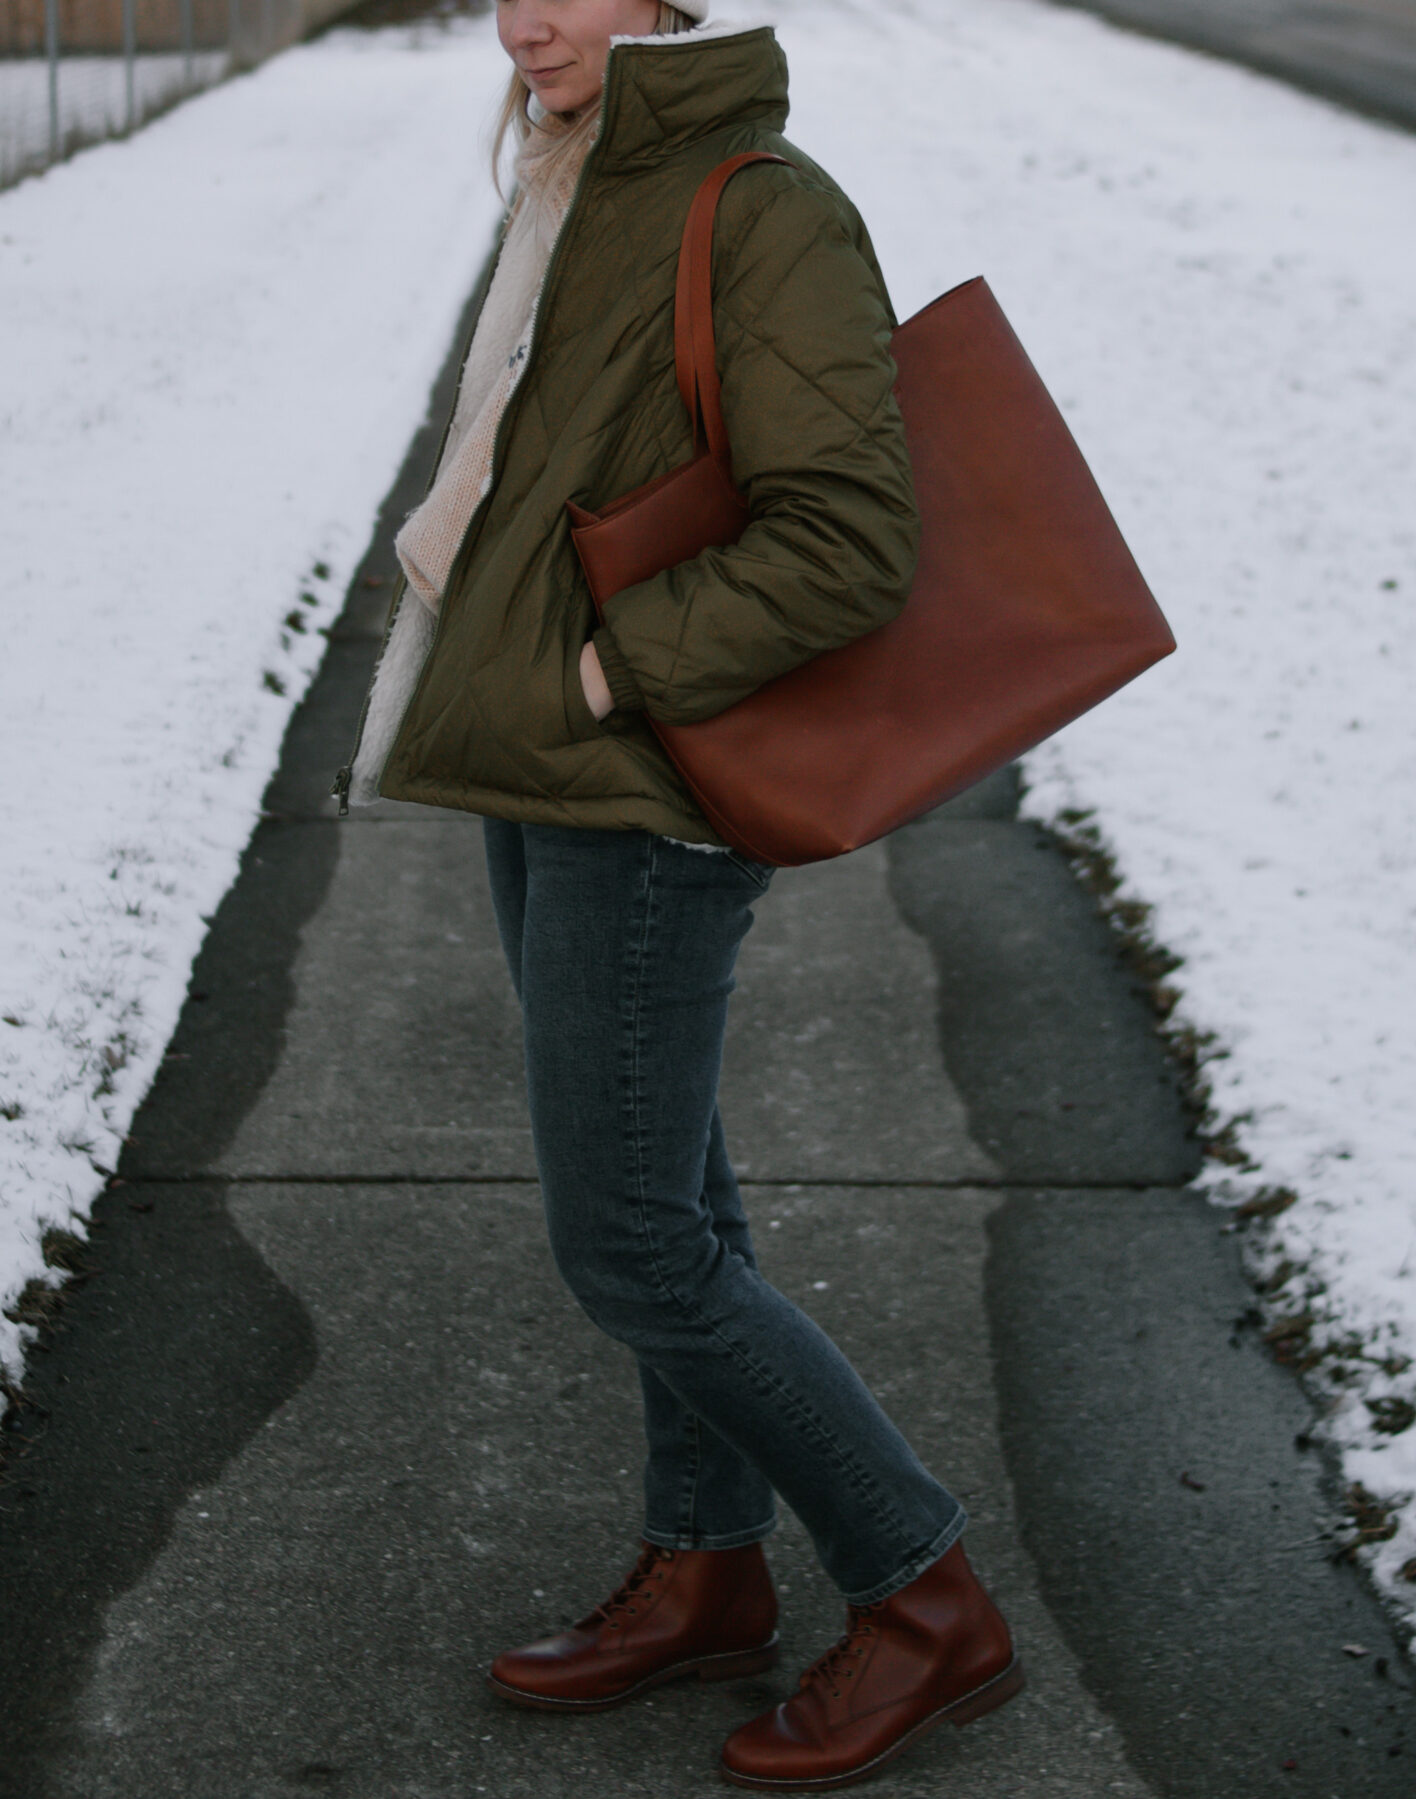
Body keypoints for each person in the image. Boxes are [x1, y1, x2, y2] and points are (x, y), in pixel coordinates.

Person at [335, 0, 1023, 1786]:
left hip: (644, 786)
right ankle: (708, 1566)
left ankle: (925, 1591)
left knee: (630, 1243)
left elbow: (850, 536)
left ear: (665, 3)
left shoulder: (760, 199)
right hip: (548, 770)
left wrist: (600, 666)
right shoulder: (585, 175)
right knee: (676, 1203)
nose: (529, 18)